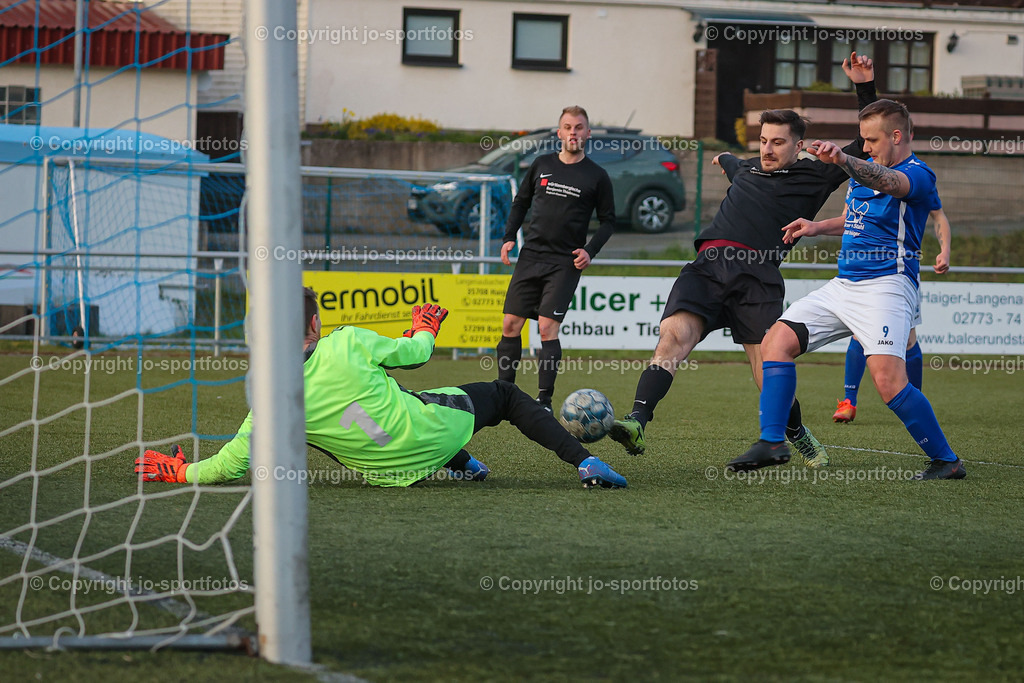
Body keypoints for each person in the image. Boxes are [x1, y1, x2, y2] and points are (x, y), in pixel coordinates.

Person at [608, 53, 878, 468]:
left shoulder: (817, 174)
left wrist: (864, 86)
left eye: (778, 142)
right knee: (671, 340)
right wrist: (724, 160)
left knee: (767, 367)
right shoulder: (746, 167)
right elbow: (731, 161)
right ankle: (637, 420)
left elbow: (864, 144)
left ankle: (794, 435)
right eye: (764, 141)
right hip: (707, 266)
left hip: (758, 275)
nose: (767, 149)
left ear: (799, 145)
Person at [135, 288, 628, 489]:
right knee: (503, 397)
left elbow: (232, 464)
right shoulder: (348, 340)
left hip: (388, 473)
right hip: (426, 433)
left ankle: (464, 465)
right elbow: (416, 355)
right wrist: (425, 327)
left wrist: (183, 473)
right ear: (315, 320)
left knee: (325, 423)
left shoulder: (271, 399)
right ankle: (584, 464)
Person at [730, 99, 966, 481]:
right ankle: (773, 442)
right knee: (776, 341)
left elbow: (887, 182)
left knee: (889, 383)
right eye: (862, 140)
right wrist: (815, 226)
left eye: (871, 140)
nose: (866, 147)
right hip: (844, 284)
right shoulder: (863, 174)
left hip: (887, 286)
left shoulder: (918, 174)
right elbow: (853, 217)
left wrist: (843, 160)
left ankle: (946, 460)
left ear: (896, 135)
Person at [496, 105, 616, 411]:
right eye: (568, 127)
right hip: (531, 255)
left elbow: (609, 221)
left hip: (565, 262)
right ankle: (503, 394)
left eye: (579, 127)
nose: (573, 133)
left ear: (588, 133)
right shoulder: (541, 165)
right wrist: (509, 237)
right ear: (559, 132)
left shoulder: (597, 176)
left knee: (547, 328)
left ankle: (544, 400)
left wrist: (590, 250)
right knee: (510, 324)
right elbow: (520, 203)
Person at [833, 206, 951, 422]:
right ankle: (848, 401)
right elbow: (847, 220)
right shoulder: (858, 180)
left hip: (900, 272)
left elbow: (938, 214)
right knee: (859, 332)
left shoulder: (913, 176)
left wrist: (945, 249)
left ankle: (915, 402)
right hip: (863, 270)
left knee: (907, 340)